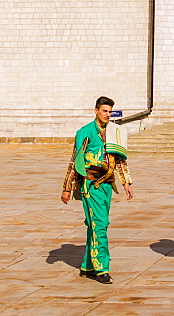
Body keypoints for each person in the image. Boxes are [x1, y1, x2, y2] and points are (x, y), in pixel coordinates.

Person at [61, 96, 133, 284]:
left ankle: (88, 266)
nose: (108, 115)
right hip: (90, 185)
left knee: (96, 224)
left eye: (110, 111)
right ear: (96, 111)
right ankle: (102, 267)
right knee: (100, 224)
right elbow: (74, 160)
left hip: (107, 185)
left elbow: (119, 159)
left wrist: (126, 182)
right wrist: (67, 188)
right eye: (104, 111)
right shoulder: (85, 132)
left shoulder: (114, 132)